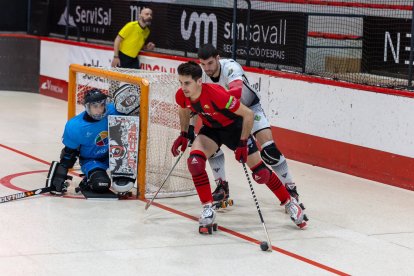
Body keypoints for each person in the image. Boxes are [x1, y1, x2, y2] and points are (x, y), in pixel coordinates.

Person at [171, 61, 307, 231]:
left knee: (261, 173)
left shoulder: (216, 94)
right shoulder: (181, 95)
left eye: (187, 83)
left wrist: (242, 143)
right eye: (181, 82)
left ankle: (290, 203)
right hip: (212, 130)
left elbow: (248, 114)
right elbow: (184, 109)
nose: (183, 87)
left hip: (234, 129)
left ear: (199, 81)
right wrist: (184, 134)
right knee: (195, 163)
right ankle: (208, 209)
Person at [196, 43, 304, 209]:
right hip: (226, 114)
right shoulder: (201, 74)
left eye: (210, 63)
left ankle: (290, 188)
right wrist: (188, 130)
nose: (207, 68)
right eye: (203, 64)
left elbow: (236, 94)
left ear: (218, 58)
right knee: (210, 145)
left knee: (270, 152)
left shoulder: (231, 67)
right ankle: (222, 186)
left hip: (249, 107)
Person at [47, 87, 140, 196]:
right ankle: (87, 181)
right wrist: (60, 176)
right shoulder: (76, 126)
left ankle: (120, 175)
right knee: (101, 184)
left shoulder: (114, 110)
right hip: (92, 160)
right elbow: (69, 153)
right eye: (95, 106)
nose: (100, 109)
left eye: (102, 105)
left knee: (123, 186)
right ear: (87, 107)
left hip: (116, 155)